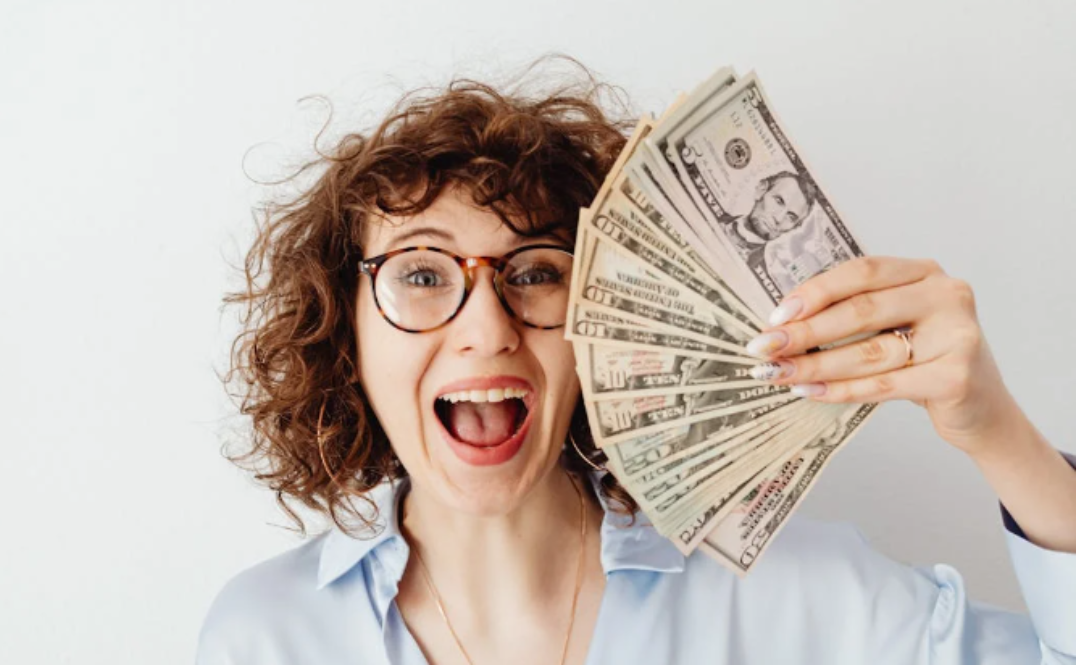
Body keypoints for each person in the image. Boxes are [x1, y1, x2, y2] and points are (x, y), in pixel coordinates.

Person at [197, 63, 1076, 664]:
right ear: (346, 336)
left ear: (605, 321)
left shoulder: (795, 594)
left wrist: (997, 432)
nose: (486, 327)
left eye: (535, 272)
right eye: (421, 274)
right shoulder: (266, 633)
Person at [718, 170, 818, 270]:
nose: (778, 218)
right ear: (761, 190)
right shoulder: (716, 216)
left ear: (795, 227)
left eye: (791, 217)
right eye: (779, 201)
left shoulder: (764, 273)